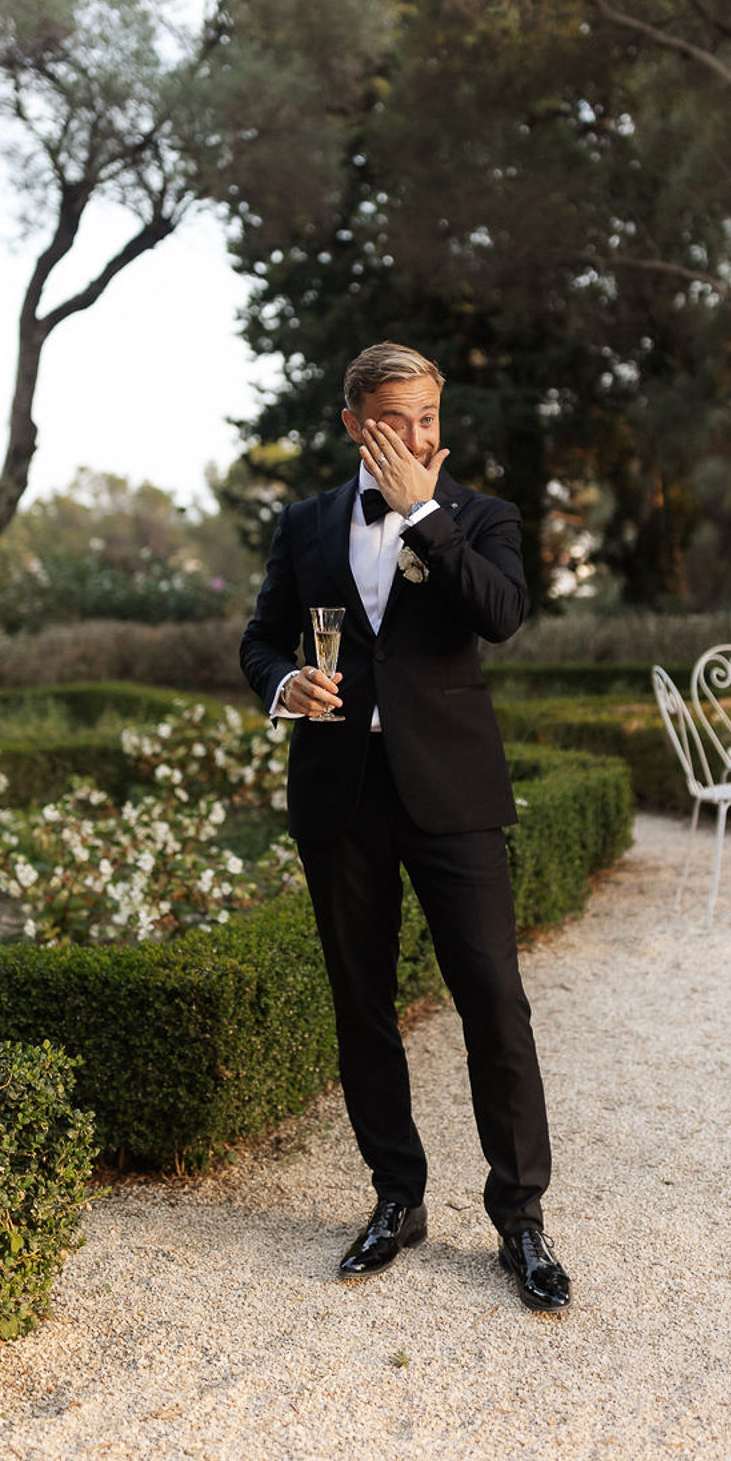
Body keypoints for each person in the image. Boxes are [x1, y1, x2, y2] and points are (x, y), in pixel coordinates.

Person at [239, 342, 570, 1313]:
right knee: (362, 1003)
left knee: (494, 1002)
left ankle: (521, 1219)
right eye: (395, 419)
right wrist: (281, 683)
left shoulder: (481, 515)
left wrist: (424, 509)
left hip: (453, 794)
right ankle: (397, 1197)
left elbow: (503, 613)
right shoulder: (302, 524)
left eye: (427, 415)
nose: (417, 434)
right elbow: (261, 634)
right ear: (354, 423)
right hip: (340, 791)